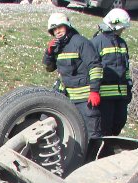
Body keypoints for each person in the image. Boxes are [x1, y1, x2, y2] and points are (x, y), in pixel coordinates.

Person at [43, 12, 103, 142]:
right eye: (54, 29)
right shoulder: (57, 46)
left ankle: (94, 161)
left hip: (85, 99)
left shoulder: (80, 42)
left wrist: (94, 91)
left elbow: (95, 66)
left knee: (91, 135)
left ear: (67, 26)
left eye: (60, 27)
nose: (57, 32)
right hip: (66, 97)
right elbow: (49, 68)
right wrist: (49, 53)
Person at [90, 8, 132, 137]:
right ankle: (103, 153)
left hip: (120, 94)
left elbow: (125, 68)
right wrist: (94, 90)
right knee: (105, 128)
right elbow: (92, 68)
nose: (122, 30)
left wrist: (128, 88)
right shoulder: (97, 42)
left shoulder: (122, 44)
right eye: (122, 28)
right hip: (105, 95)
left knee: (119, 122)